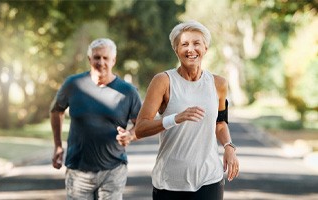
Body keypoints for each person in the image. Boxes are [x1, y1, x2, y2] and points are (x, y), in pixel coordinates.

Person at [135, 20, 239, 200]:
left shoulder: (219, 84)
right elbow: (140, 128)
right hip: (170, 181)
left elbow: (220, 123)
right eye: (184, 44)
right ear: (176, 50)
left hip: (209, 179)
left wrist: (229, 146)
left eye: (196, 43)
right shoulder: (163, 81)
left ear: (205, 48)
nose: (191, 49)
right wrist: (175, 118)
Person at [50, 38, 141, 200]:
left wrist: (131, 135)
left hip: (113, 169)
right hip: (78, 170)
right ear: (89, 59)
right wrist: (57, 145)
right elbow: (56, 111)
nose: (101, 62)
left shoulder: (128, 92)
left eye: (106, 58)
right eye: (97, 57)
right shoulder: (73, 84)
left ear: (113, 60)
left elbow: (141, 124)